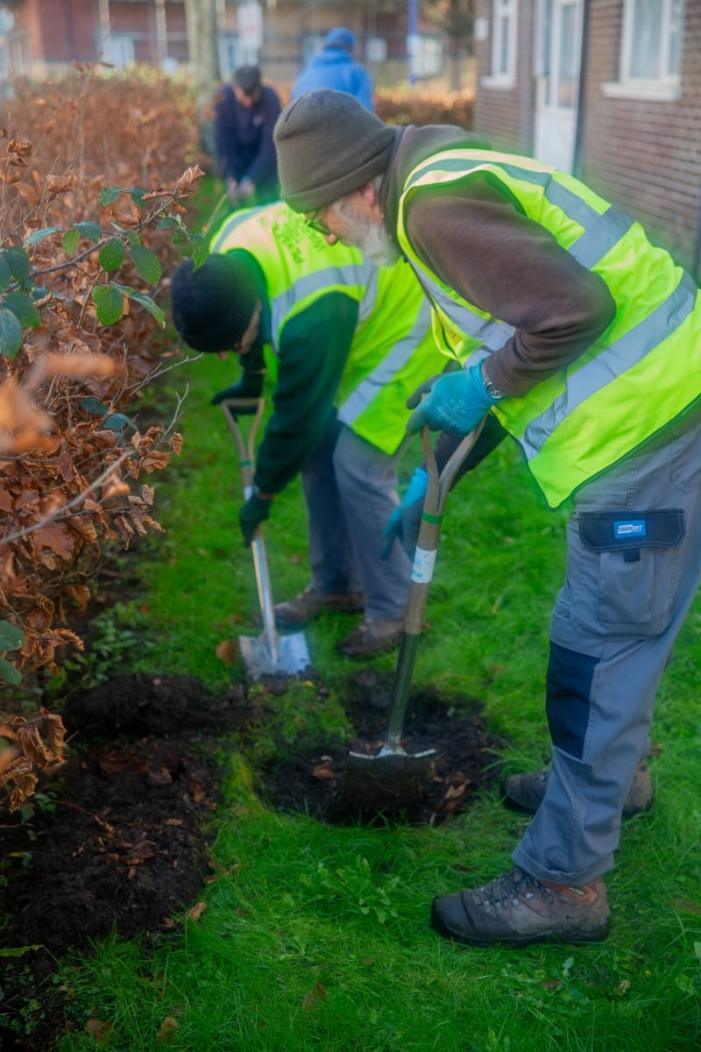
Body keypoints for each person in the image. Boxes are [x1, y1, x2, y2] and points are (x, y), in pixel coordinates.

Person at [273, 89, 701, 945]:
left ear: (358, 188)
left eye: (318, 213)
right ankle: (617, 784)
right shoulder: (437, 173)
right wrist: (449, 464)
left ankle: (563, 885)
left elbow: (573, 312)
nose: (321, 232)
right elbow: (523, 333)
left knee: (596, 651)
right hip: (669, 410)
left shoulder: (430, 206)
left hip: (646, 440)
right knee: (629, 633)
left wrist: (484, 384)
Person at [170, 201, 446, 658]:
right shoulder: (220, 257)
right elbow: (259, 339)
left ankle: (394, 609)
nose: (224, 357)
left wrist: (262, 494)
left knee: (358, 465)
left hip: (406, 325)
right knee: (320, 451)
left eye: (229, 346)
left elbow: (297, 417)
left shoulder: (311, 313)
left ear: (249, 313)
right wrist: (251, 374)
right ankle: (337, 584)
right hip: (354, 325)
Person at [213, 66, 281, 208]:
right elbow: (223, 141)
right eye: (244, 96)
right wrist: (229, 175)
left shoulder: (271, 100)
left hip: (263, 159)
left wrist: (252, 178)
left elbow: (270, 145)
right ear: (235, 89)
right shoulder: (223, 100)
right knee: (236, 205)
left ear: (259, 88)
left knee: (268, 202)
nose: (248, 102)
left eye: (252, 96)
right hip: (237, 156)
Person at [292, 28, 373, 111]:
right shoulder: (356, 73)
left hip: (302, 123)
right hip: (341, 123)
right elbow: (367, 113)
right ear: (351, 50)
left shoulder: (304, 75)